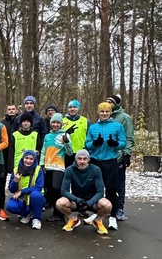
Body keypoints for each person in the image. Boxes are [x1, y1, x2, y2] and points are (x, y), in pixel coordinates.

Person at [85, 102, 126, 231]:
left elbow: (123, 143)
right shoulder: (93, 127)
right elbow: (87, 144)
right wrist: (94, 143)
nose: (104, 114)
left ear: (110, 113)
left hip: (111, 160)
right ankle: (97, 214)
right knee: (96, 190)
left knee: (111, 189)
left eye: (107, 111)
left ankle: (112, 217)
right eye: (102, 111)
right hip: (96, 161)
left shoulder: (117, 126)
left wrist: (115, 144)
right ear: (99, 112)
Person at [56, 149, 111, 235]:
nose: (82, 161)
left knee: (107, 205)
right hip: (76, 201)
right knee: (60, 203)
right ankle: (73, 219)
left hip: (93, 201)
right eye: (79, 159)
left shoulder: (96, 170)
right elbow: (64, 191)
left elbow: (100, 192)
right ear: (76, 159)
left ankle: (98, 220)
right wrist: (78, 200)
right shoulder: (69, 170)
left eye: (85, 159)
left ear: (88, 160)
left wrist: (89, 203)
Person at [40, 113, 73, 224]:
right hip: (48, 166)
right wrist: (41, 164)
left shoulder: (65, 135)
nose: (55, 124)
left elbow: (69, 152)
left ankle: (61, 213)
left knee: (56, 188)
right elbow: (44, 150)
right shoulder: (47, 136)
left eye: (58, 123)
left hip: (59, 166)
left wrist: (67, 141)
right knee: (49, 191)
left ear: (61, 124)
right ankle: (55, 213)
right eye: (53, 122)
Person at [106, 94, 135, 221]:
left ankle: (119, 209)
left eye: (111, 102)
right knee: (107, 184)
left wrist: (127, 154)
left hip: (118, 156)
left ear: (116, 104)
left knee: (118, 184)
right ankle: (109, 207)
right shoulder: (105, 117)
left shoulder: (125, 118)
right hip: (105, 157)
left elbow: (129, 138)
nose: (108, 104)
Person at [5, 150, 45, 230]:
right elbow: (12, 190)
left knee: (36, 195)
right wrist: (15, 181)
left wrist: (22, 191)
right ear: (23, 158)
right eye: (26, 158)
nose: (28, 161)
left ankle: (36, 218)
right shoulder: (16, 170)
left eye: (31, 159)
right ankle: (27, 214)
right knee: (10, 206)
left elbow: (39, 186)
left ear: (34, 160)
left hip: (34, 197)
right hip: (21, 198)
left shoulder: (38, 170)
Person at [62, 100, 90, 167]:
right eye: (70, 107)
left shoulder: (85, 121)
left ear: (78, 108)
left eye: (74, 107)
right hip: (67, 152)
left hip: (81, 152)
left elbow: (89, 136)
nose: (72, 109)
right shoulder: (63, 121)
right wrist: (66, 133)